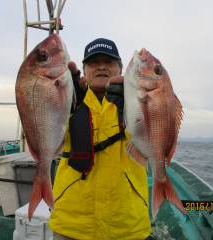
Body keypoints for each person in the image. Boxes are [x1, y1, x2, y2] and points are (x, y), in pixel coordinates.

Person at [49, 38, 153, 240]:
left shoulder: (140, 99)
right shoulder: (67, 99)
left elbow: (156, 138)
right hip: (72, 224)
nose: (102, 67)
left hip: (127, 225)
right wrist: (60, 100)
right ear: (84, 70)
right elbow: (41, 137)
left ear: (121, 69)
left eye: (109, 62)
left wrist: (136, 105)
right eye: (94, 62)